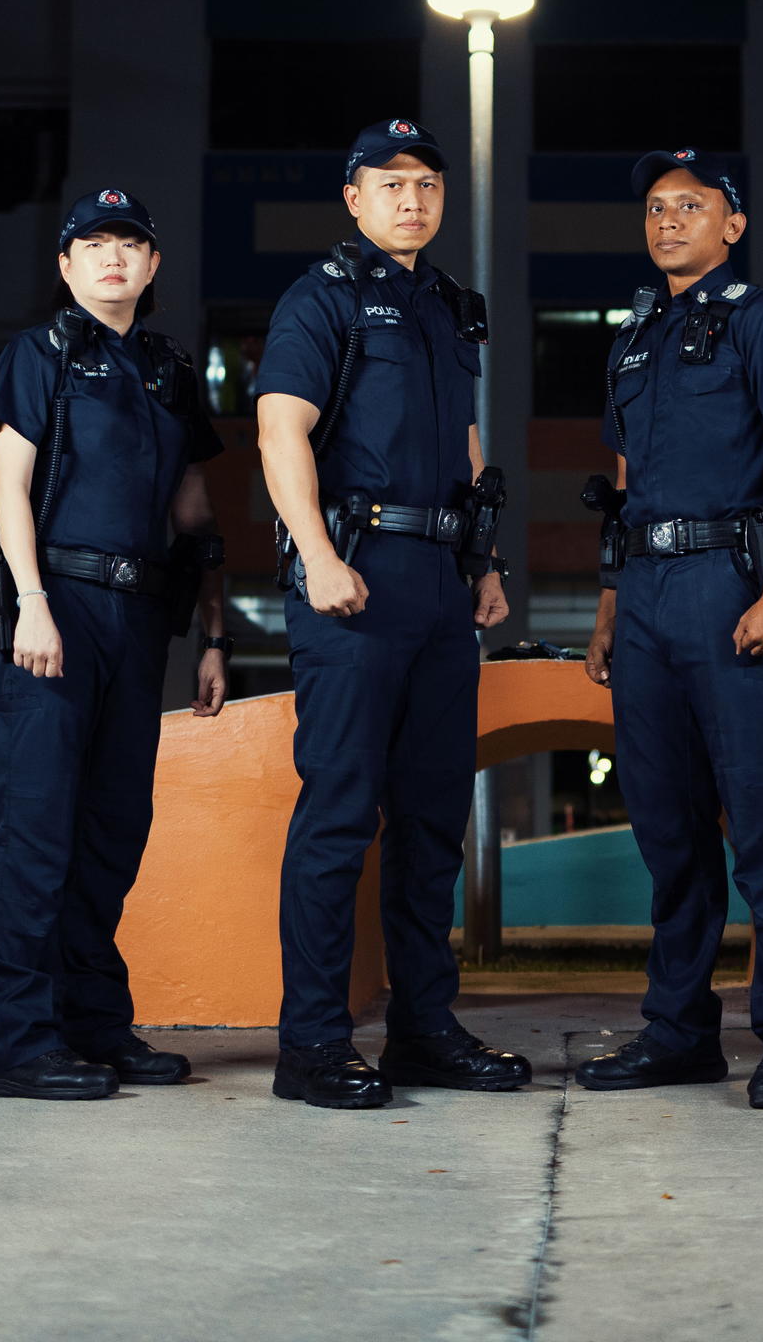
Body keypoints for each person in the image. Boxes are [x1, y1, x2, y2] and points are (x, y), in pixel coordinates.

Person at [255, 119, 527, 1110]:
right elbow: (279, 427)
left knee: (429, 818)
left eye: (425, 183)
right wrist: (317, 554)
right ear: (353, 196)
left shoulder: (447, 307)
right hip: (353, 577)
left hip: (438, 584)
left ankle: (420, 1029)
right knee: (337, 814)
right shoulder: (318, 297)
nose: (411, 198)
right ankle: (313, 1044)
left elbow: (460, 443)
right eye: (389, 182)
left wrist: (482, 561)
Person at [579, 149, 763, 1110]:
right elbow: (629, 484)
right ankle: (680, 1032)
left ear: (733, 224)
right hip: (645, 594)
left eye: (691, 205)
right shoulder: (636, 334)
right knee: (666, 829)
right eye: (654, 207)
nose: (668, 220)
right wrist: (609, 605)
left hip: (730, 586)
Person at [0, 187, 230, 1100]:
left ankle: (93, 1026)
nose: (113, 257)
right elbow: (12, 488)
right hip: (58, 612)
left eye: (131, 244)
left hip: (139, 618)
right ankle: (15, 1044)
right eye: (94, 244)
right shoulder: (35, 357)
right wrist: (31, 602)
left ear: (153, 266)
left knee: (114, 830)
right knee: (34, 833)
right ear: (67, 264)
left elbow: (194, 513)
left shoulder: (168, 370)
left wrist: (211, 635)